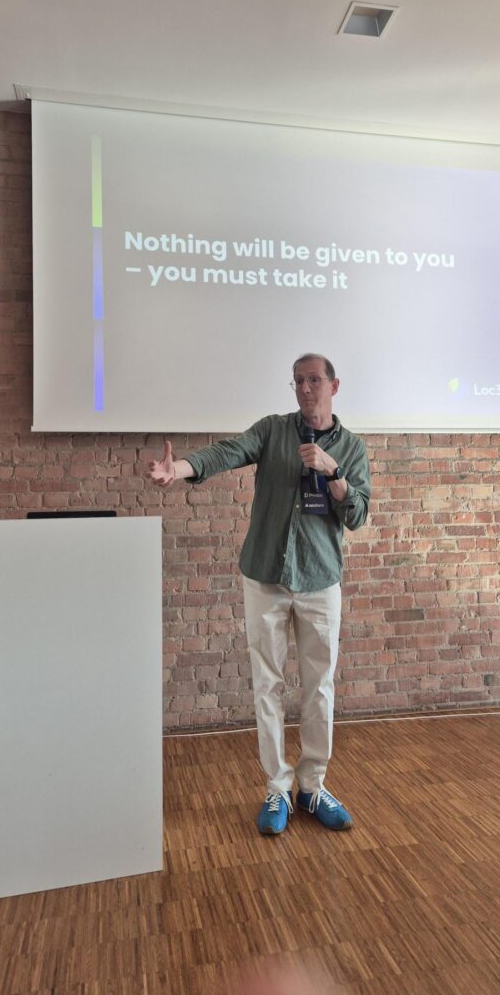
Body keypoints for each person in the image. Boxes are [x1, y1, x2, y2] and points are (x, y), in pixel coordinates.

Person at [148, 354, 371, 835]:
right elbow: (228, 452)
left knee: (319, 688)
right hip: (265, 577)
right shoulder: (272, 431)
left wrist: (334, 473)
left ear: (334, 386)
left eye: (314, 380)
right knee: (266, 685)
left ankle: (312, 786)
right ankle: (278, 788)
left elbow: (357, 515)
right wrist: (180, 468)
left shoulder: (352, 447)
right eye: (298, 381)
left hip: (320, 581)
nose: (305, 388)